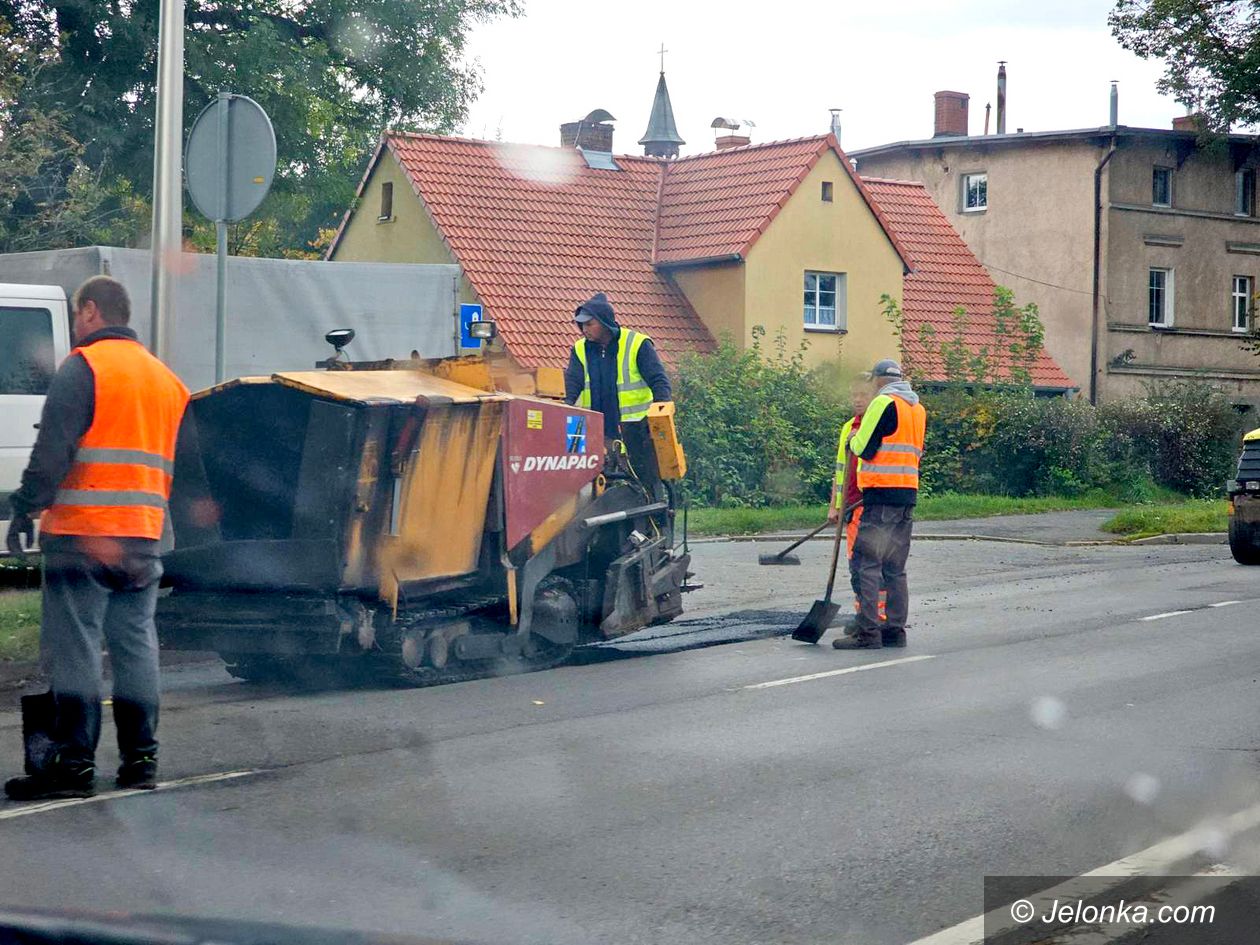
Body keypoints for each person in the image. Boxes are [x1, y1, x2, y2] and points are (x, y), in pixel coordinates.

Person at [4, 276, 190, 800]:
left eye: (78, 315)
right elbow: (184, 468)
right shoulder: (166, 382)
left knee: (76, 650)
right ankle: (141, 761)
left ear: (90, 311)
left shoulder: (84, 368)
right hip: (143, 541)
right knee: (136, 649)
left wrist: (24, 508)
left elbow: (52, 453)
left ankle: (75, 766)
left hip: (83, 539)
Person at [833, 359, 926, 651]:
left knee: (867, 564)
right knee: (895, 568)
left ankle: (867, 632)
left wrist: (851, 439)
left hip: (880, 495)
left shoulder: (883, 403)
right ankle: (894, 631)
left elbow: (864, 447)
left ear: (878, 381)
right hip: (907, 495)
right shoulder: (917, 409)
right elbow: (916, 451)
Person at [563, 292, 673, 492]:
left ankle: (656, 523)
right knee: (588, 488)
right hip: (591, 430)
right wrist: (564, 406)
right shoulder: (579, 349)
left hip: (636, 430)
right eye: (581, 325)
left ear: (604, 322)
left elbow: (659, 381)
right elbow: (571, 384)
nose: (583, 329)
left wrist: (659, 416)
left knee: (646, 486)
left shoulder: (637, 344)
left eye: (589, 324)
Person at [827, 378, 882, 630]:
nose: (858, 400)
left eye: (863, 395)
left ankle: (877, 616)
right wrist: (835, 505)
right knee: (854, 564)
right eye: (854, 395)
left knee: (869, 563)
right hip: (849, 507)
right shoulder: (848, 427)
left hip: (868, 504)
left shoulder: (877, 425)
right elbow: (840, 470)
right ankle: (863, 612)